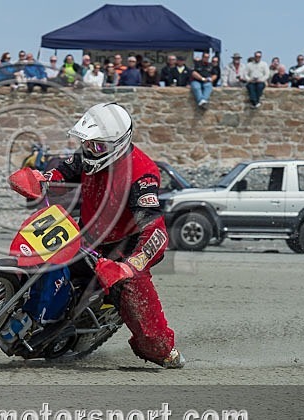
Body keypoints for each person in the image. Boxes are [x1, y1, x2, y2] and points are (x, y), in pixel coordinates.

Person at [12, 103, 184, 369]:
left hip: (123, 252)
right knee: (33, 255)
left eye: (98, 146)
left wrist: (128, 267)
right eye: (86, 143)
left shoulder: (141, 175)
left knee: (151, 334)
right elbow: (61, 173)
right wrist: (38, 179)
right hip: (86, 236)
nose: (90, 150)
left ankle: (165, 353)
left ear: (117, 144)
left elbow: (156, 232)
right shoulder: (88, 155)